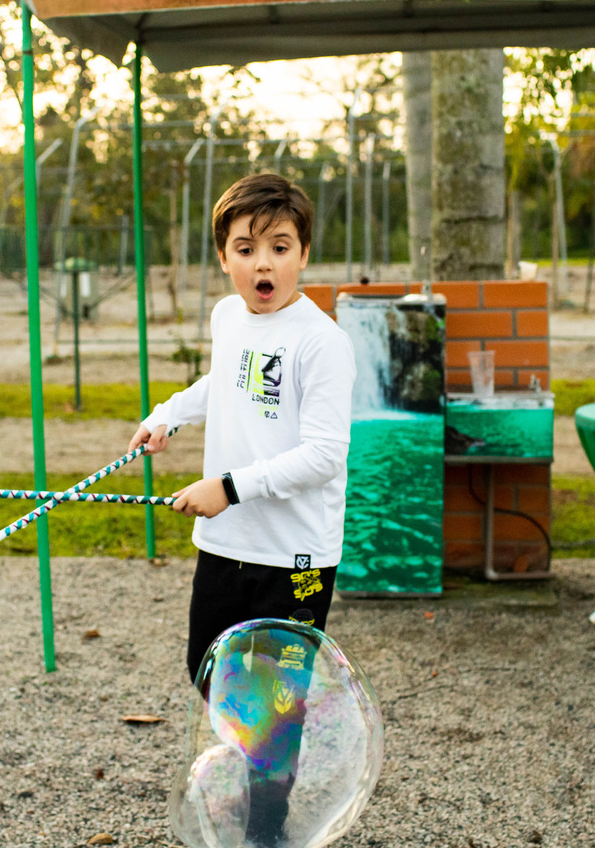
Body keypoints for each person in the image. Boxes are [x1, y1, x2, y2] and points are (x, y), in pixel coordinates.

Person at [128, 171, 355, 845]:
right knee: (207, 663)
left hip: (296, 559)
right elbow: (222, 380)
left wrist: (226, 488)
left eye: (280, 247)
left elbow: (324, 455)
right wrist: (168, 415)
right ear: (224, 257)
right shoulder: (228, 317)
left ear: (303, 254)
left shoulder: (321, 341)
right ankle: (254, 757)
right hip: (226, 544)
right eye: (247, 248)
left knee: (278, 702)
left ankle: (266, 825)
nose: (264, 264)